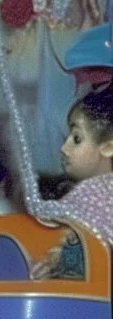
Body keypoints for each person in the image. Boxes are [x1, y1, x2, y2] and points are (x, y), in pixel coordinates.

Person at [31, 86, 113, 279]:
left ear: (108, 148)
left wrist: (54, 265)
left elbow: (85, 253)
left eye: (76, 139)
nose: (63, 148)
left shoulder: (92, 194)